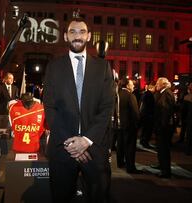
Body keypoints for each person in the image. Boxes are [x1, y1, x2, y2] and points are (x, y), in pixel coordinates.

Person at [43, 17, 114, 203]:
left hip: (95, 149)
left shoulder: (103, 67)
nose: (77, 36)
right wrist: (72, 145)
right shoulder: (54, 67)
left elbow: (107, 107)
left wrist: (86, 140)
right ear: (66, 36)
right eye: (72, 32)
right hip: (63, 149)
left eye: (82, 32)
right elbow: (50, 107)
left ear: (89, 36)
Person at [151, 77, 175, 179]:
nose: (156, 84)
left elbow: (166, 112)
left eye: (158, 83)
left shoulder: (167, 93)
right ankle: (161, 165)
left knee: (164, 149)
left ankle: (165, 171)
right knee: (160, 148)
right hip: (161, 126)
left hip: (164, 128)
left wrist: (162, 127)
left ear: (163, 84)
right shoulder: (163, 93)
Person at [116, 78, 141, 173]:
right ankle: (130, 168)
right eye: (132, 84)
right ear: (127, 85)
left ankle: (120, 163)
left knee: (120, 145)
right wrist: (137, 124)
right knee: (130, 147)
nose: (133, 86)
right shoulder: (130, 95)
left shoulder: (117, 94)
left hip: (118, 125)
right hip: (129, 125)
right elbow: (135, 112)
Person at [139, 82, 155, 149]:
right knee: (147, 130)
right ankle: (145, 142)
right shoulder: (150, 95)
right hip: (148, 115)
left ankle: (142, 141)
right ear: (152, 88)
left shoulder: (144, 94)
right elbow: (150, 106)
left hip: (143, 114)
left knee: (144, 129)